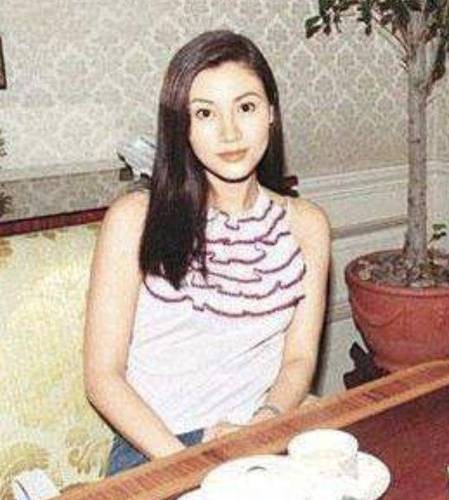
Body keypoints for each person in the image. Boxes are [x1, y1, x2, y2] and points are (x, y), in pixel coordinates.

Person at [84, 30, 330, 474]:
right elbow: (103, 378)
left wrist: (265, 422)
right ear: (182, 126)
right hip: (158, 446)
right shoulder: (134, 218)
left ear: (271, 113)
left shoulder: (307, 225)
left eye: (246, 107)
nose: (230, 132)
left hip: (261, 432)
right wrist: (198, 462)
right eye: (205, 113)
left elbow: (299, 358)